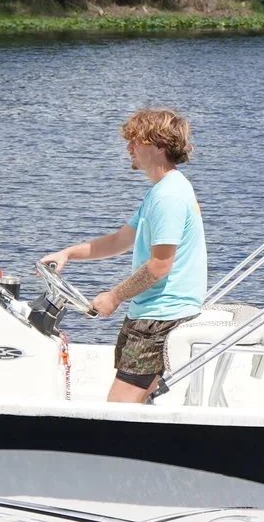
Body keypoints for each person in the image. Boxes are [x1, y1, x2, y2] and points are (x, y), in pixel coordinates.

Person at [40, 106, 209, 403]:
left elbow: (159, 266)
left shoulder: (168, 197)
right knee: (136, 407)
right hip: (153, 314)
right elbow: (121, 239)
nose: (128, 147)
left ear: (158, 146)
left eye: (135, 141)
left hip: (160, 318)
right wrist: (68, 254)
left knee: (118, 409)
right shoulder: (161, 191)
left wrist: (114, 296)